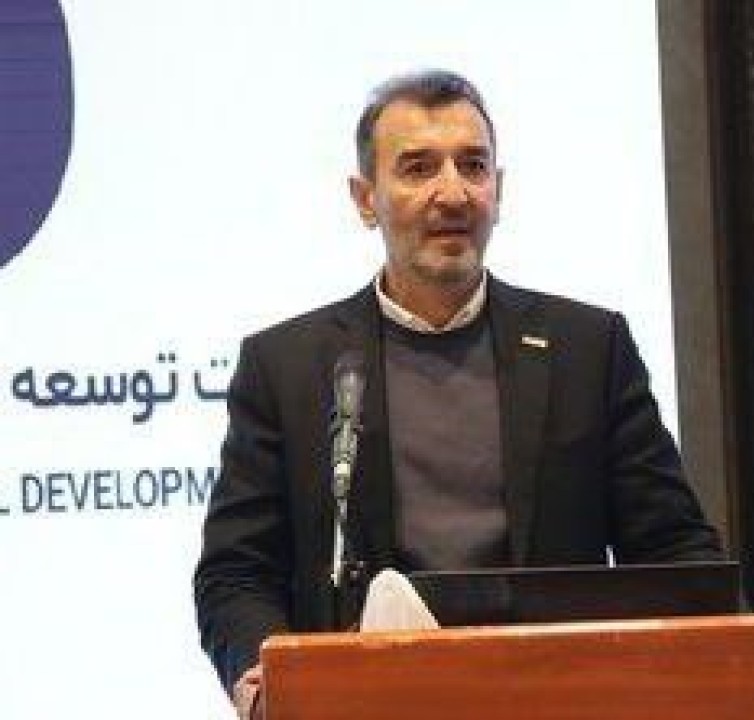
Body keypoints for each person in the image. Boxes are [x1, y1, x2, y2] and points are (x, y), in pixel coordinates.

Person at [193, 69, 722, 718]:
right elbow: (237, 573)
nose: (453, 193)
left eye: (473, 166)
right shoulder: (286, 366)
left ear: (500, 189)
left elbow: (674, 554)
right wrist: (268, 683)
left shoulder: (588, 349)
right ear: (365, 199)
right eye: (418, 169)